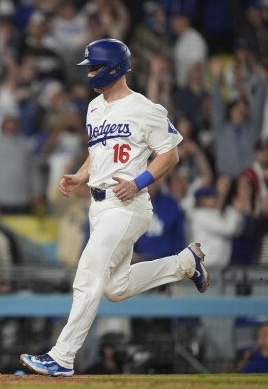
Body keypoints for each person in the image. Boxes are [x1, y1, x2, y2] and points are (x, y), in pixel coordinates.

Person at [19, 38, 210, 376]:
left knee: (88, 275)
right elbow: (99, 150)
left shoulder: (145, 108)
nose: (90, 73)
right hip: (99, 206)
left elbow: (171, 153)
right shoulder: (94, 108)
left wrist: (139, 182)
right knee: (114, 289)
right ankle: (185, 263)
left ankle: (62, 357)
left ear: (114, 67)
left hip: (128, 203)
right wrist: (80, 175)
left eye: (94, 66)